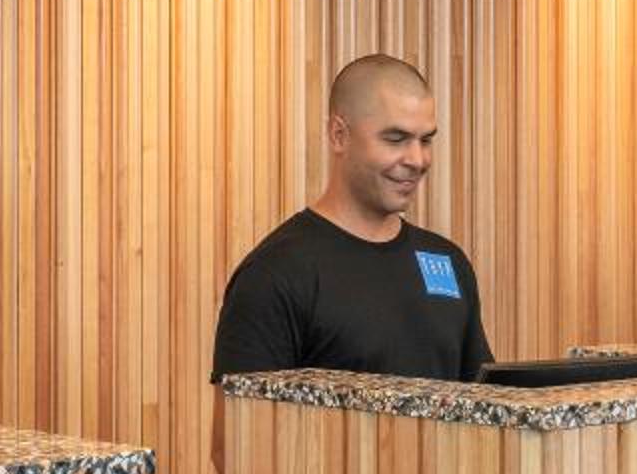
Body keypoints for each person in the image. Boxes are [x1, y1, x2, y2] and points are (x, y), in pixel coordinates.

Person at [210, 54, 493, 382]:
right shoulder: (275, 274)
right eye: (395, 139)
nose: (417, 159)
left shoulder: (447, 263)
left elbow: (484, 403)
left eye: (426, 140)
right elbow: (240, 415)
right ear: (339, 135)